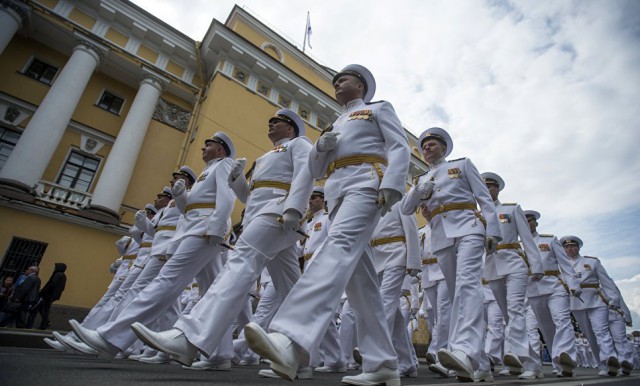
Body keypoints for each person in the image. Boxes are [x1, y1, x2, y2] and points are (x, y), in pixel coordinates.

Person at [242, 64, 410, 386]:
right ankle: (382, 365)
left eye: (342, 79)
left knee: (337, 247)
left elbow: (399, 146)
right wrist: (321, 147)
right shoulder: (336, 123)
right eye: (335, 81)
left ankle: (290, 338)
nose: (336, 84)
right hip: (336, 190)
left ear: (360, 86)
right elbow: (317, 169)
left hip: (366, 182)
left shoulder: (377, 109)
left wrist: (393, 183)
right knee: (361, 282)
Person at [130, 108, 313, 372]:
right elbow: (250, 197)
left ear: (290, 129)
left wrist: (295, 208)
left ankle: (190, 337)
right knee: (292, 289)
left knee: (239, 263)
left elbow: (306, 174)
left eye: (277, 122)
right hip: (260, 215)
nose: (270, 124)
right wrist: (238, 181)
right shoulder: (263, 158)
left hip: (279, 211)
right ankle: (308, 354)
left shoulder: (298, 144)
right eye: (269, 120)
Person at [68, 132, 236, 361]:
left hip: (205, 231)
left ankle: (111, 338)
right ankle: (221, 353)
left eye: (209, 145)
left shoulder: (224, 165)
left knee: (166, 280)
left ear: (221, 149)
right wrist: (180, 196)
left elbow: (227, 197)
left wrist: (217, 228)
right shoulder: (207, 173)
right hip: (197, 229)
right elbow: (190, 209)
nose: (203, 149)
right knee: (212, 292)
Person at [399, 126, 501, 382]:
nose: (427, 148)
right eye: (423, 146)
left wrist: (493, 231)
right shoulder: (421, 180)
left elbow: (483, 198)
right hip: (442, 237)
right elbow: (405, 208)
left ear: (444, 148)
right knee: (458, 295)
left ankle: (463, 351)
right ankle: (481, 365)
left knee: (467, 285)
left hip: (468, 226)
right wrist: (417, 192)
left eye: (432, 144)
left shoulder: (463, 165)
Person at [481, 172, 544, 379]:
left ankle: (524, 360)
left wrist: (536, 266)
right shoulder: (477, 214)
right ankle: (528, 362)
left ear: (497, 189)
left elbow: (527, 239)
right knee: (507, 314)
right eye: (484, 187)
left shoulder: (511, 209)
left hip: (514, 262)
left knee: (515, 309)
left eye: (491, 186)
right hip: (491, 265)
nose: (488, 190)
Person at [523, 210, 580, 377]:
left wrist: (573, 284)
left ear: (536, 223)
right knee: (546, 329)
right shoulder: (518, 245)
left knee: (562, 321)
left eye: (531, 221)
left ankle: (567, 359)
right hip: (532, 290)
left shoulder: (549, 240)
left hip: (555, 286)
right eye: (525, 221)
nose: (529, 224)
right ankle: (557, 363)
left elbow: (565, 264)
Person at [560, 235, 620, 376]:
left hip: (595, 300)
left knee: (601, 331)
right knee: (589, 335)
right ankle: (602, 365)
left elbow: (606, 281)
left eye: (572, 246)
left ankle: (610, 360)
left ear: (578, 247)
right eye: (566, 247)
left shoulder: (591, 262)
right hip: (576, 302)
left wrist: (614, 299)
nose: (570, 249)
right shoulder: (562, 265)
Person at [36, 262, 67, 330]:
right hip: (52, 296)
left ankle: (45, 323)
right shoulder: (63, 276)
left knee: (43, 308)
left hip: (48, 295)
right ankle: (45, 322)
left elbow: (52, 284)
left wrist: (43, 291)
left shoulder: (57, 275)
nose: (54, 268)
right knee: (44, 308)